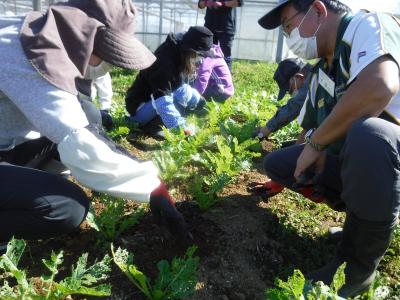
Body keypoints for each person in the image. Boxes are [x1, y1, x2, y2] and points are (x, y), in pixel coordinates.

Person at [0, 0, 188, 254]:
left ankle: (29, 188)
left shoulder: (38, 34)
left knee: (88, 112)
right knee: (66, 207)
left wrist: (136, 169)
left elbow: (83, 126)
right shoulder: (25, 55)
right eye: (104, 51)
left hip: (7, 146)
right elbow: (79, 140)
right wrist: (153, 189)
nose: (105, 63)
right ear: (81, 35)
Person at [259, 0, 400, 297]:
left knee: (369, 135)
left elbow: (379, 87)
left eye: (288, 25)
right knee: (280, 163)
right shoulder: (320, 72)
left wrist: (317, 143)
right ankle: (358, 229)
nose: (288, 37)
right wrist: (285, 176)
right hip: (370, 162)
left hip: (389, 152)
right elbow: (307, 132)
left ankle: (357, 268)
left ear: (319, 11)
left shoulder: (367, 26)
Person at [125, 26, 213, 138]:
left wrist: (198, 101)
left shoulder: (177, 51)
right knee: (170, 98)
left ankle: (157, 123)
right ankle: (151, 125)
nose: (198, 58)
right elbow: (162, 100)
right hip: (139, 108)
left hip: (152, 100)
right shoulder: (165, 62)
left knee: (180, 91)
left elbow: (180, 86)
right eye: (199, 54)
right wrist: (182, 129)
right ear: (191, 50)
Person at [255, 57, 312, 141]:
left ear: (299, 77)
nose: (290, 93)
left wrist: (262, 132)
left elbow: (291, 109)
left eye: (290, 89)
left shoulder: (311, 82)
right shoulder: (314, 74)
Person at [198, 0, 244, 71]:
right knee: (208, 54)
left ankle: (226, 79)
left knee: (225, 55)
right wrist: (206, 2)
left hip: (226, 27)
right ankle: (209, 77)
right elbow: (200, 5)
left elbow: (239, 2)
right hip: (210, 26)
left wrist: (222, 4)